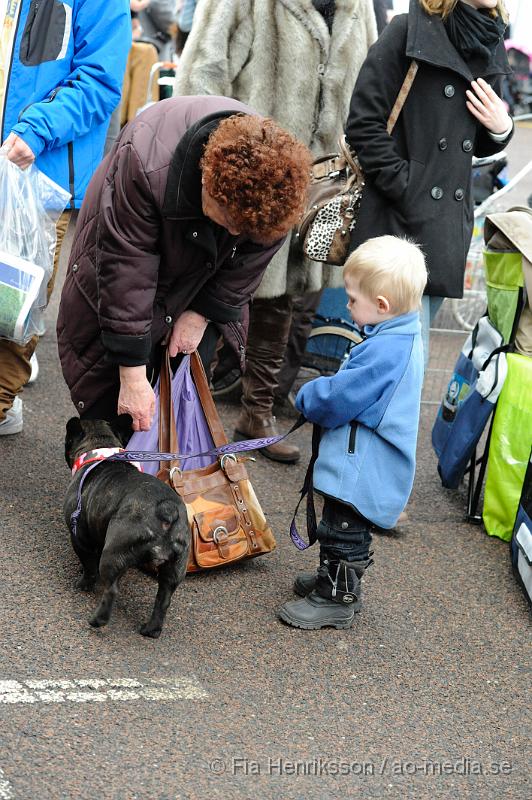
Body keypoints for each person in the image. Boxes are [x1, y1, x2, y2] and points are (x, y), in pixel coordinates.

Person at [174, 0, 378, 464]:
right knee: (204, 284)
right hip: (244, 176)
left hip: (318, 180)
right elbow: (201, 72)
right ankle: (180, 411)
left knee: (285, 296)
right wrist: (219, 155)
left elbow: (368, 84)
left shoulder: (358, 5)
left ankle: (257, 413)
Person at [56, 95, 312, 432]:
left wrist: (202, 312)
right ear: (209, 181)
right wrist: (132, 374)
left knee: (184, 385)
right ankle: (103, 459)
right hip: (128, 239)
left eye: (245, 227)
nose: (236, 231)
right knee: (115, 383)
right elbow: (127, 270)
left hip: (202, 266)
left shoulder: (274, 195)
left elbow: (251, 257)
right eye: (230, 221)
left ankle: (162, 468)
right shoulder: (145, 163)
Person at [345, 0, 513, 365]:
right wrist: (409, 187)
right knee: (395, 362)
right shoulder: (407, 30)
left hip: (443, 227)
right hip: (398, 224)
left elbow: (475, 135)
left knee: (410, 359)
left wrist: (502, 129)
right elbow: (363, 124)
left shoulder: (487, 39)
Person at [278, 236, 427, 629]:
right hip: (364, 459)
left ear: (382, 305)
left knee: (344, 528)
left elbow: (340, 398)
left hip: (362, 464)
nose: (347, 306)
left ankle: (336, 597)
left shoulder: (386, 350)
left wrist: (309, 395)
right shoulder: (400, 335)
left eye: (352, 299)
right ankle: (337, 581)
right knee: (342, 526)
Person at [0, 0, 131, 436]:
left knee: (12, 306)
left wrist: (37, 128)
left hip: (37, 172)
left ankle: (3, 398)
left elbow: (99, 78)